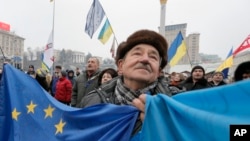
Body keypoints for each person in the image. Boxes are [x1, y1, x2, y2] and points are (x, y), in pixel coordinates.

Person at [80, 29, 181, 136]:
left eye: (153, 57)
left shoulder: (176, 105)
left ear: (159, 72)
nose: (145, 59)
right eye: (137, 53)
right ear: (120, 65)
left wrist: (166, 129)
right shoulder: (92, 100)